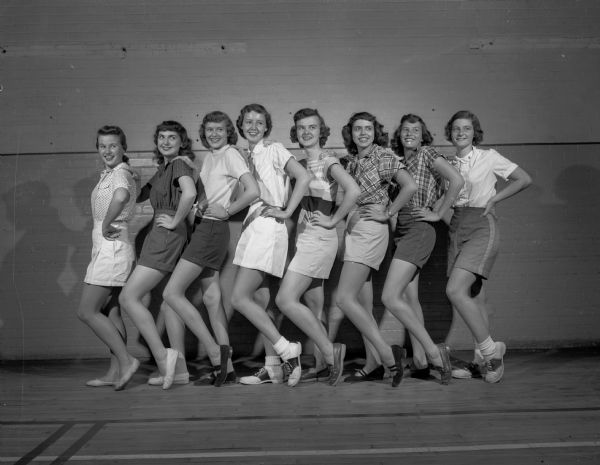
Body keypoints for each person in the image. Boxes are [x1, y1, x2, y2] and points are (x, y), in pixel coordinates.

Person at [162, 111, 260, 386]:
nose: (214, 134)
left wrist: (228, 209)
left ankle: (216, 352)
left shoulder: (230, 154)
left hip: (212, 230)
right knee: (212, 298)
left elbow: (253, 191)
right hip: (206, 228)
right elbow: (209, 192)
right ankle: (226, 368)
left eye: (219, 129)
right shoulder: (210, 158)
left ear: (228, 131)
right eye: (209, 130)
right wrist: (201, 205)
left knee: (172, 293)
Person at [443, 110, 532, 383]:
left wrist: (495, 200)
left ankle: (491, 352)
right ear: (450, 132)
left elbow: (524, 179)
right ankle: (481, 363)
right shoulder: (445, 163)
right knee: (475, 296)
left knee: (455, 290)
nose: (461, 133)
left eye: (466, 128)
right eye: (456, 128)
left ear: (474, 132)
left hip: (482, 224)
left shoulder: (488, 157)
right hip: (457, 227)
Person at [274, 108, 360, 386]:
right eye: (301, 128)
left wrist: (334, 219)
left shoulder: (327, 161)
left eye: (312, 127)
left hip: (319, 239)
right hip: (305, 237)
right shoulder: (300, 163)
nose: (307, 132)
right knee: (313, 306)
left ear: (321, 131)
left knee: (285, 300)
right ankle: (324, 362)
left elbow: (353, 190)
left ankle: (329, 351)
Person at [377, 113, 464, 384]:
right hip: (402, 230)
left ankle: (432, 351)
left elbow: (457, 181)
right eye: (405, 130)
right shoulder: (397, 160)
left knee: (390, 298)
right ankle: (420, 360)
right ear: (399, 134)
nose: (409, 134)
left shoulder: (427, 153)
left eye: (415, 130)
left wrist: (439, 212)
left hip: (418, 226)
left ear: (422, 133)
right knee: (410, 298)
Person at [230, 103, 311, 387]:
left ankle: (287, 349)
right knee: (261, 302)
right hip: (253, 227)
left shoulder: (274, 149)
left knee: (239, 298)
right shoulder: (244, 156)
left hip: (268, 226)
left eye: (259, 122)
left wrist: (288, 210)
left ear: (266, 127)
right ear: (241, 125)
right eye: (248, 121)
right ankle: (272, 368)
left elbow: (304, 177)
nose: (253, 126)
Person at [336, 111, 417, 387]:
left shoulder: (383, 156)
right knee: (363, 304)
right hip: (354, 229)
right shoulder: (350, 161)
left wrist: (388, 212)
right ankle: (372, 364)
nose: (363, 133)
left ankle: (387, 356)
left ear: (375, 131)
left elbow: (409, 186)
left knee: (344, 298)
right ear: (351, 133)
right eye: (357, 129)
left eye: (368, 129)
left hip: (371, 230)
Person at [119, 121, 198, 390]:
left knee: (128, 297)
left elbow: (190, 193)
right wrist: (133, 178)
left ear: (181, 141)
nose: (165, 141)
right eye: (161, 137)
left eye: (172, 137)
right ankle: (181, 371)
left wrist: (175, 221)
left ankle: (166, 359)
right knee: (169, 303)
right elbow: (140, 197)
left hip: (166, 236)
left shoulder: (178, 164)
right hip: (161, 235)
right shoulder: (164, 168)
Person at [77, 125, 140, 391]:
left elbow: (122, 195)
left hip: (111, 247)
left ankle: (126, 362)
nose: (107, 151)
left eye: (113, 145)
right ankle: (115, 372)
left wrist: (106, 224)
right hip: (111, 246)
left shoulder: (120, 173)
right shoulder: (112, 173)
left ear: (123, 147)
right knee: (111, 311)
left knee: (86, 311)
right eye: (102, 146)